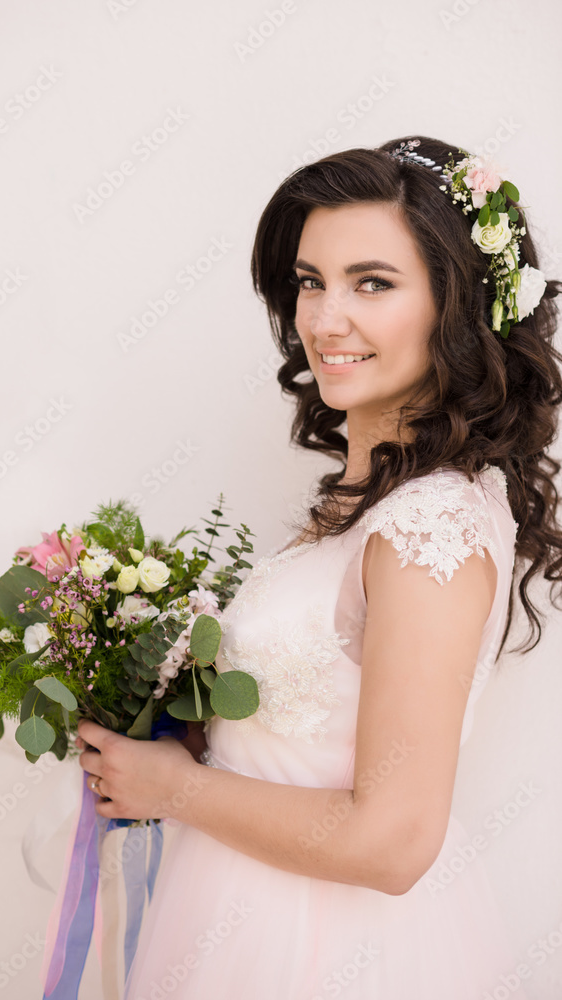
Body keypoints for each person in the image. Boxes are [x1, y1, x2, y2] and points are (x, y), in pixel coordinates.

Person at [76, 135, 562, 998]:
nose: (325, 319)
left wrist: (175, 788)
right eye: (311, 280)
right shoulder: (380, 499)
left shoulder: (431, 527)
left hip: (323, 951)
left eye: (372, 283)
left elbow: (394, 842)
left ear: (458, 304)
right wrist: (194, 730)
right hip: (241, 906)